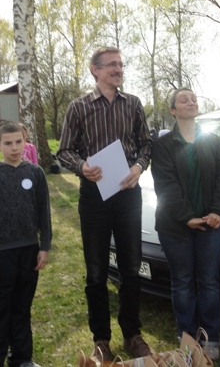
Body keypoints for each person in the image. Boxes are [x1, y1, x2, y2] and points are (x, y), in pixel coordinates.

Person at [57, 46, 153, 362]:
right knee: (96, 272)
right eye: (112, 64)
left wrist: (138, 167)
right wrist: (82, 166)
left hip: (128, 195)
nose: (118, 69)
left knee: (131, 268)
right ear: (94, 69)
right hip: (94, 197)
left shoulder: (134, 104)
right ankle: (101, 339)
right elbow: (64, 151)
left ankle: (132, 333)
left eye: (121, 64)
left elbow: (146, 144)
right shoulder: (79, 107)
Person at [151, 88, 220, 361]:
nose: (191, 102)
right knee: (183, 282)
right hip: (175, 227)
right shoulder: (163, 145)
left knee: (209, 282)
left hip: (210, 225)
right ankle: (186, 339)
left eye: (194, 98)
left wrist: (218, 211)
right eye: (183, 100)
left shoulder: (212, 140)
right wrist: (186, 216)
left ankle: (210, 338)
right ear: (173, 110)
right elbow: (165, 185)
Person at [0, 121, 52, 367]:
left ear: (25, 142)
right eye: (8, 143)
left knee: (22, 306)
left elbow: (44, 212)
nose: (14, 148)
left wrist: (44, 246)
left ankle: (21, 358)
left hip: (29, 250)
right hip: (1, 255)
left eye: (19, 142)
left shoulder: (35, 173)